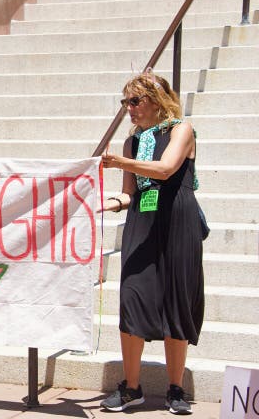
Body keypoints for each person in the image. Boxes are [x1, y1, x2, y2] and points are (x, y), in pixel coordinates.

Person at [99, 71, 204, 415]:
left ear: (156, 101)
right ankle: (131, 388)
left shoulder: (181, 130)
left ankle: (175, 389)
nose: (128, 108)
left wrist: (120, 162)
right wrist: (105, 203)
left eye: (134, 101)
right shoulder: (133, 141)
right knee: (132, 298)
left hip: (178, 221)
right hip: (142, 223)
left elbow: (165, 169)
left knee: (177, 301)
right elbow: (130, 194)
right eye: (124, 102)